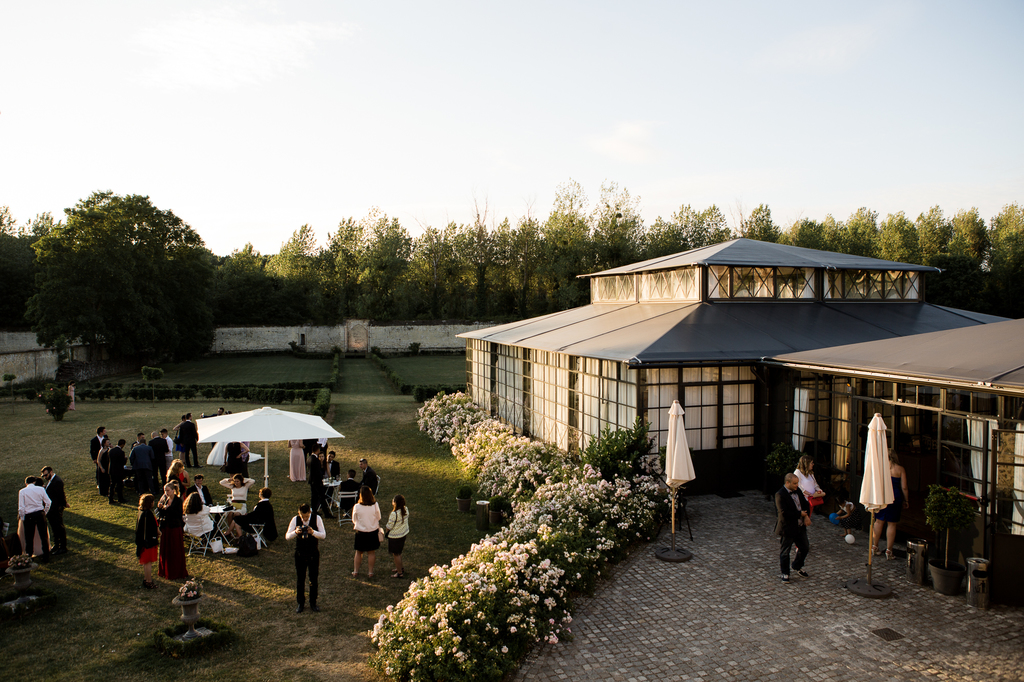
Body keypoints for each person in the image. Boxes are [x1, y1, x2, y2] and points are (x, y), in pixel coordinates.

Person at [286, 503, 325, 613]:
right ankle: (300, 603)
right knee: (300, 579)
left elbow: (323, 535)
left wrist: (313, 532)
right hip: (300, 553)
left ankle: (313, 602)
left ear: (310, 512)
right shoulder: (295, 519)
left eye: (307, 516)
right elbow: (287, 536)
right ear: (299, 513)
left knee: (313, 578)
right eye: (303, 516)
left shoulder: (317, 518)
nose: (305, 519)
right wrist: (295, 532)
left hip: (313, 553)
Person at [873, 451, 910, 560]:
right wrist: (906, 500)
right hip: (895, 497)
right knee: (892, 524)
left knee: (878, 521)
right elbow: (904, 487)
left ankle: (875, 546)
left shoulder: (881, 468)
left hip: (883, 496)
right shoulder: (900, 469)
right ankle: (889, 550)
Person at [774, 473, 811, 584]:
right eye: (795, 483)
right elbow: (784, 513)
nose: (797, 485)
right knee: (785, 552)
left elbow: (805, 504)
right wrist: (800, 514)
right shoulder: (780, 494)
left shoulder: (797, 490)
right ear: (787, 483)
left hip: (800, 526)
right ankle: (785, 573)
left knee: (804, 548)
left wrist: (806, 516)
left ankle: (797, 566)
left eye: (797, 483)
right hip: (788, 527)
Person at [157, 483, 188, 580]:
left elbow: (178, 514)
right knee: (166, 549)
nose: (166, 492)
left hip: (175, 527)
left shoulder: (178, 501)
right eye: (165, 490)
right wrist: (160, 508)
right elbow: (160, 514)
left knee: (175, 549)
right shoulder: (164, 499)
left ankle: (176, 571)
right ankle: (165, 570)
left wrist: (168, 509)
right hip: (166, 527)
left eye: (168, 490)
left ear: (173, 490)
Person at [18, 476, 51, 562]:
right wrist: (44, 512)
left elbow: (21, 507)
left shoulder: (22, 491)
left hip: (29, 515)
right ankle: (46, 555)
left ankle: (29, 556)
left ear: (26, 483)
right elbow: (48, 502)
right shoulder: (40, 489)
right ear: (34, 482)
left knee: (29, 537)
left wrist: (22, 518)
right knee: (43, 536)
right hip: (40, 513)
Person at [352, 486, 381, 578]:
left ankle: (356, 571)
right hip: (372, 531)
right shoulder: (375, 505)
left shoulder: (357, 506)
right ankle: (370, 572)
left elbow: (354, 519)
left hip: (361, 532)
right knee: (371, 552)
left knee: (358, 552)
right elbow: (378, 517)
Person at [40, 466, 69, 555]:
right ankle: (57, 545)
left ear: (51, 472)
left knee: (59, 527)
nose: (45, 477)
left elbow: (61, 495)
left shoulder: (57, 481)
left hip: (55, 509)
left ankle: (62, 546)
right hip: (52, 509)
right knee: (55, 528)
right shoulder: (52, 481)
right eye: (43, 476)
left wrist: (64, 504)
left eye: (46, 475)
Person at [135, 494, 159, 589]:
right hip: (148, 542)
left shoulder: (141, 512)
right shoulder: (148, 514)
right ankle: (149, 581)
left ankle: (146, 579)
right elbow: (154, 528)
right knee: (148, 562)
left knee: (146, 563)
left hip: (142, 542)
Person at [385, 494, 409, 578]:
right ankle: (400, 568)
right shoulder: (405, 509)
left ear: (395, 503)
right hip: (403, 534)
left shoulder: (394, 514)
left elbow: (389, 526)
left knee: (396, 554)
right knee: (399, 553)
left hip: (395, 537)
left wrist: (385, 530)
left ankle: (399, 573)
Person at [307, 446, 333, 519]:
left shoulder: (309, 458)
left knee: (314, 496)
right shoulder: (315, 460)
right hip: (317, 481)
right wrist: (321, 481)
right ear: (317, 450)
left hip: (312, 481)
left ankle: (314, 510)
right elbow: (318, 472)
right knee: (322, 497)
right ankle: (326, 513)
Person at [129, 433, 158, 497]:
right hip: (147, 465)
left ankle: (141, 492)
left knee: (140, 480)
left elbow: (131, 457)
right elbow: (152, 457)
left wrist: (133, 463)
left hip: (138, 466)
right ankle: (152, 491)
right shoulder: (149, 448)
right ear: (145, 442)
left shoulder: (135, 448)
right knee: (149, 479)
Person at [107, 438, 128, 504]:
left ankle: (111, 498)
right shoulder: (121, 452)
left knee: (112, 485)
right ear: (122, 445)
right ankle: (120, 498)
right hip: (119, 471)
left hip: (112, 470)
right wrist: (125, 459)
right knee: (119, 485)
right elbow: (123, 462)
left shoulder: (111, 451)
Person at [90, 426, 106, 494]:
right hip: (98, 457)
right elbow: (92, 450)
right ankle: (99, 483)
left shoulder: (105, 437)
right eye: (104, 431)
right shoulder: (94, 440)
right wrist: (94, 458)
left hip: (105, 456)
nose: (105, 432)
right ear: (101, 432)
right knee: (99, 469)